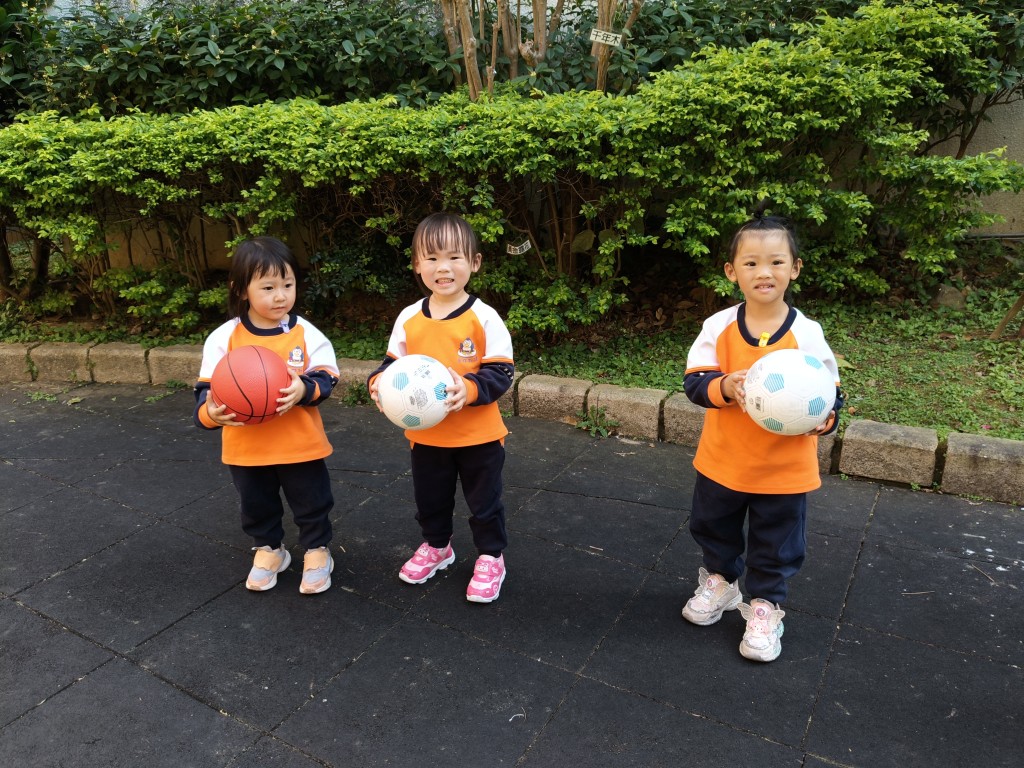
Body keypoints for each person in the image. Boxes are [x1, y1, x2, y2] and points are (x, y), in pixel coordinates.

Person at [681, 205, 843, 662]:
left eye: (776, 262)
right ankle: (721, 582)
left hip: (784, 468)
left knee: (777, 542)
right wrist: (724, 386)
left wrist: (826, 418)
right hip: (724, 460)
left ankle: (766, 606)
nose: (764, 272)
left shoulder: (807, 334)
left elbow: (830, 392)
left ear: (795, 268)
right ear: (732, 272)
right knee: (713, 527)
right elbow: (695, 382)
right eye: (751, 263)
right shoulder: (718, 326)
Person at [368, 213, 515, 603]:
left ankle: (491, 556)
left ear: (475, 262)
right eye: (431, 258)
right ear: (417, 265)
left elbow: (501, 371)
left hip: (479, 437)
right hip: (427, 437)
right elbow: (390, 366)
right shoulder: (409, 318)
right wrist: (377, 383)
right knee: (430, 500)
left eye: (454, 257)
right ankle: (437, 547)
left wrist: (468, 389)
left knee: (484, 503)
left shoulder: (484, 318)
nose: (443, 268)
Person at [193, 236, 340, 595]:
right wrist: (210, 414)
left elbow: (327, 376)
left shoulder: (305, 333)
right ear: (240, 289)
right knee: (256, 504)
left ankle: (317, 551)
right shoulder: (225, 338)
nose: (280, 296)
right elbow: (205, 393)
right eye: (269, 287)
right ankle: (269, 550)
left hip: (299, 444)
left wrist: (304, 390)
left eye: (288, 285)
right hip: (246, 447)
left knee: (311, 500)